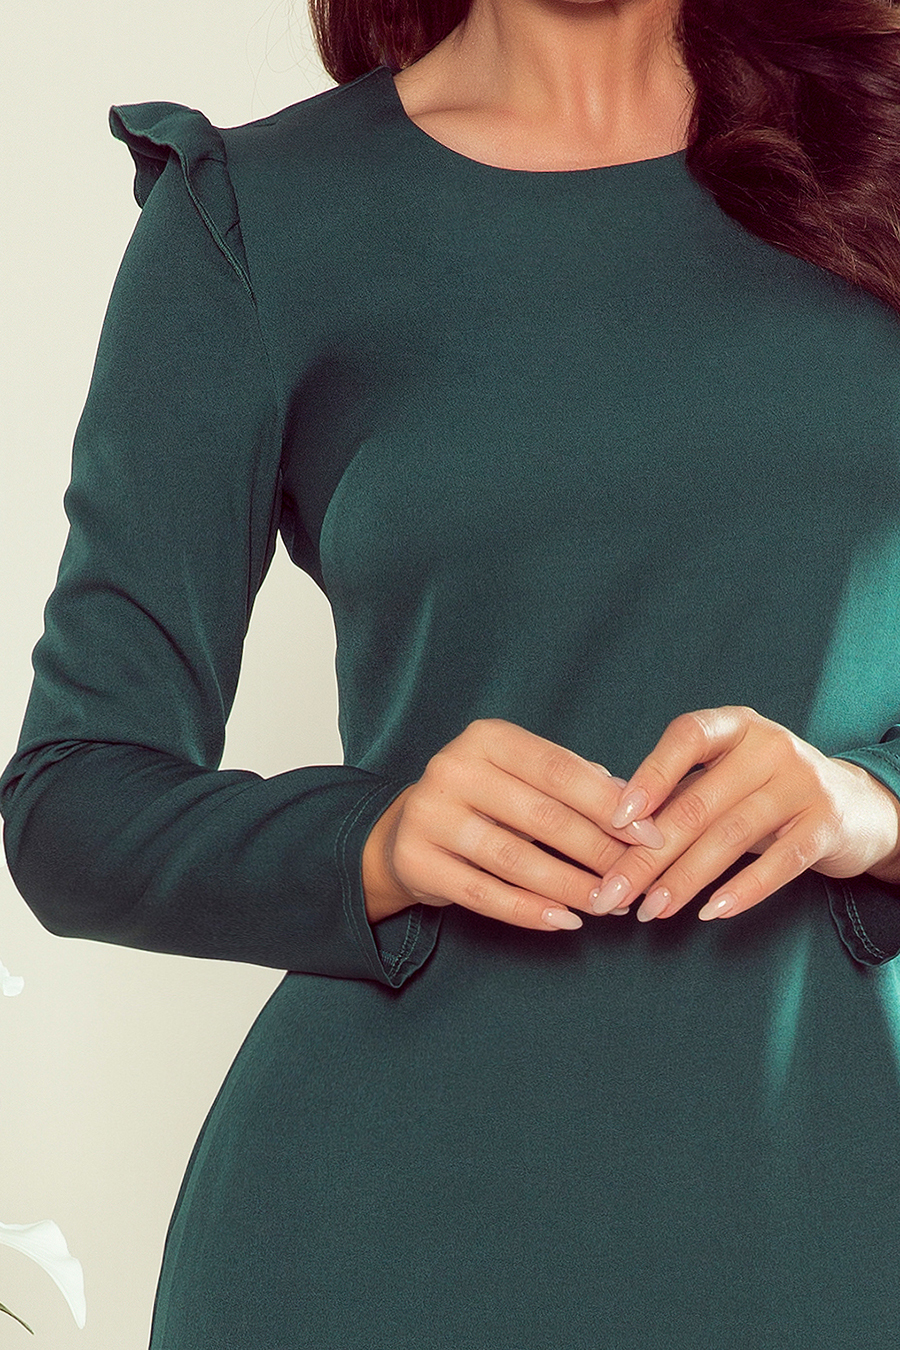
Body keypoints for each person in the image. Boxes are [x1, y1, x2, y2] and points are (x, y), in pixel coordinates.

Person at [4, 0, 900, 1343]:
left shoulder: (878, 151)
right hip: (381, 1240)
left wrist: (868, 804)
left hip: (831, 1205)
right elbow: (70, 803)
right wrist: (377, 841)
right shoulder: (252, 219)